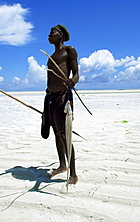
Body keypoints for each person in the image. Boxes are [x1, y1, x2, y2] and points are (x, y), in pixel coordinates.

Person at [41, 24, 79, 185]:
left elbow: (76, 74)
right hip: (51, 97)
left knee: (65, 134)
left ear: (61, 35)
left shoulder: (69, 50)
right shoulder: (52, 55)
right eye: (49, 33)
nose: (49, 35)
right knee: (56, 132)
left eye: (53, 33)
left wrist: (73, 81)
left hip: (63, 96)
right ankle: (62, 165)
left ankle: (73, 174)